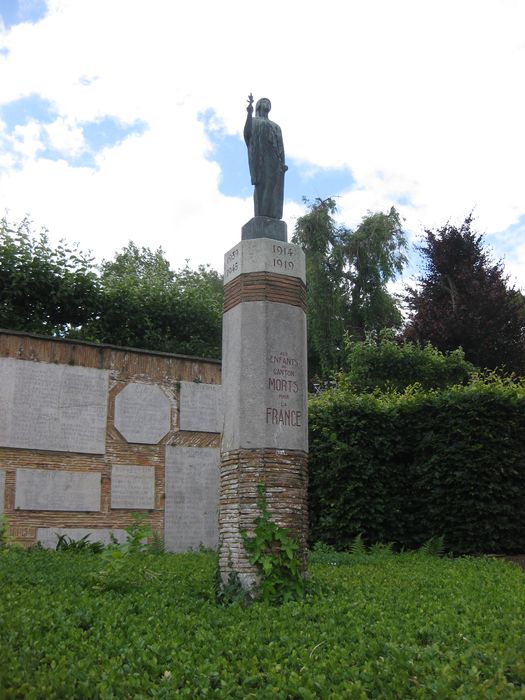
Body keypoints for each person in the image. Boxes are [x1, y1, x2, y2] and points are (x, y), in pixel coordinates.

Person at [244, 94, 287, 220]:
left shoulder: (276, 126)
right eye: (264, 102)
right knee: (262, 185)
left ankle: (272, 214)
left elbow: (281, 146)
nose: (267, 104)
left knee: (273, 185)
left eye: (269, 102)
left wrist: (283, 163)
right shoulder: (253, 121)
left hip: (274, 160)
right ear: (259, 106)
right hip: (260, 158)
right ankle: (261, 214)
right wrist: (249, 114)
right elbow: (247, 134)